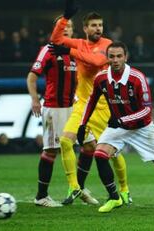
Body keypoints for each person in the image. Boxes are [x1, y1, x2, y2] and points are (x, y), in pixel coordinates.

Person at [77, 41, 154, 213]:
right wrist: (82, 124)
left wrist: (123, 120)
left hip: (142, 128)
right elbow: (91, 101)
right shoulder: (101, 78)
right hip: (118, 126)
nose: (115, 60)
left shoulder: (137, 78)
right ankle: (114, 197)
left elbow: (147, 110)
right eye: (112, 56)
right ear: (107, 58)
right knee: (100, 154)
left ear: (126, 57)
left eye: (119, 56)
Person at [50, 0, 130, 205]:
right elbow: (56, 39)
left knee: (111, 152)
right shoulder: (80, 43)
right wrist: (65, 19)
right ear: (85, 28)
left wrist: (70, 52)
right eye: (94, 25)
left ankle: (124, 190)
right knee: (66, 141)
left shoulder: (107, 45)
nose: (98, 29)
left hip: (104, 106)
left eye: (100, 25)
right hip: (83, 104)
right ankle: (75, 187)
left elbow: (95, 62)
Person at [27, 16, 98, 207]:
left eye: (70, 27)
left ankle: (79, 188)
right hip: (54, 108)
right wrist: (35, 99)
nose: (67, 29)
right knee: (51, 151)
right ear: (57, 29)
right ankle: (41, 196)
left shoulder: (75, 50)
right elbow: (32, 77)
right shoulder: (48, 50)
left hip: (75, 107)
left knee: (90, 146)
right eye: (63, 27)